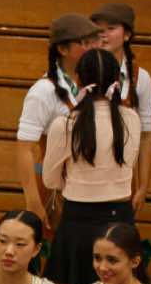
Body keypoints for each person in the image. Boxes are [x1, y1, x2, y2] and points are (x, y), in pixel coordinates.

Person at [42, 49, 138, 284]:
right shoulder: (132, 119)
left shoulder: (66, 124)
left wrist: (75, 182)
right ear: (118, 80)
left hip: (78, 220)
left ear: (77, 80)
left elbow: (50, 180)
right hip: (120, 217)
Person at [16, 14, 101, 224]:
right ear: (63, 49)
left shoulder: (93, 86)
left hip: (87, 186)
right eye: (84, 43)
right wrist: (33, 202)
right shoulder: (43, 91)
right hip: (52, 188)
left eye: (94, 42)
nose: (93, 48)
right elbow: (25, 150)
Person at [91, 3, 151, 213]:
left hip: (123, 181)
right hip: (84, 176)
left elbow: (146, 135)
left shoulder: (140, 78)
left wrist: (143, 186)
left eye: (110, 28)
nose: (103, 34)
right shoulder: (81, 71)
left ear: (127, 34)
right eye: (98, 29)